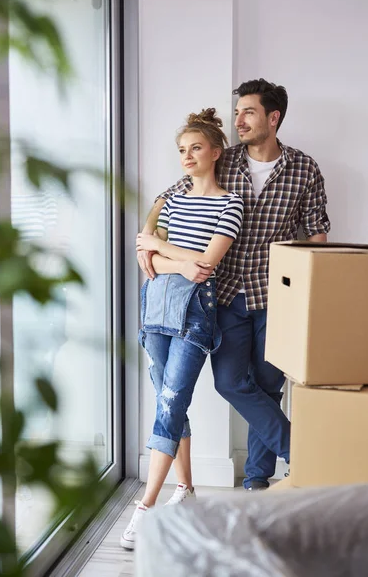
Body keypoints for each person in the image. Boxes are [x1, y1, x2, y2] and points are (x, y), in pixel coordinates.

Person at [137, 79, 331, 492]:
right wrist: (147, 243)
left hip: (278, 296)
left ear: (272, 118)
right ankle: (306, 453)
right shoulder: (223, 160)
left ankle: (258, 479)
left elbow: (317, 235)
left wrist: (313, 295)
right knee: (230, 382)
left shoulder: (304, 168)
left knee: (267, 386)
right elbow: (166, 196)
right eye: (237, 111)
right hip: (220, 295)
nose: (238, 119)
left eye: (248, 112)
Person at [120, 109, 244, 549]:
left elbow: (205, 268)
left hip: (196, 313)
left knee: (172, 401)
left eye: (195, 148)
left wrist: (160, 248)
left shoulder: (230, 204)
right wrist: (171, 255)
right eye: (181, 150)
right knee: (166, 400)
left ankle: (145, 507)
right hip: (155, 307)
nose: (187, 156)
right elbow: (148, 258)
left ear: (215, 151)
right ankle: (185, 490)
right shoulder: (170, 200)